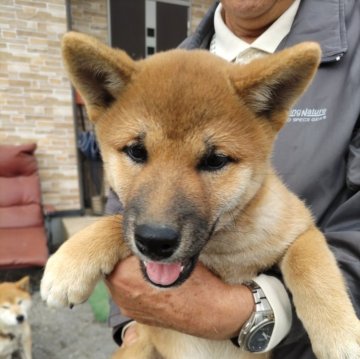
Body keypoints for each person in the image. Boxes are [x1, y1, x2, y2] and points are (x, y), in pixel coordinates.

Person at [105, 0, 360, 358]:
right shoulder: (166, 63)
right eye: (138, 152)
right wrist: (132, 326)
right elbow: (121, 205)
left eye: (213, 160)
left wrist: (255, 311)